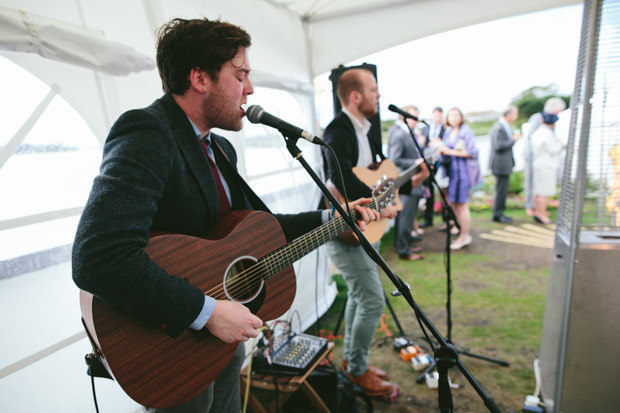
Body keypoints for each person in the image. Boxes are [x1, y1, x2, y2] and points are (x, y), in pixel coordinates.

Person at [72, 18, 379, 413]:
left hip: (219, 342)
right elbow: (98, 258)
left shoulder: (218, 149)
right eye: (240, 74)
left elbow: (256, 231)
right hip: (171, 345)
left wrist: (333, 218)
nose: (250, 89)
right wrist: (208, 312)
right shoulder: (148, 132)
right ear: (200, 78)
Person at [321, 68, 428, 399]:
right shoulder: (338, 131)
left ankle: (354, 364)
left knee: (359, 296)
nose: (379, 96)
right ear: (355, 96)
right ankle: (356, 371)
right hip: (345, 229)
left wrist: (413, 179)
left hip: (368, 228)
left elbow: (379, 176)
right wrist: (382, 208)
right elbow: (341, 180)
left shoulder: (367, 130)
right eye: (373, 90)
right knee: (371, 299)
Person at [387, 105, 425, 261]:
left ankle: (405, 244)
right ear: (403, 116)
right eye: (413, 117)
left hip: (411, 180)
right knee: (405, 216)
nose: (415, 121)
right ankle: (404, 250)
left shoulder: (406, 132)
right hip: (406, 181)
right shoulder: (398, 134)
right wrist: (416, 162)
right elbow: (394, 159)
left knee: (407, 216)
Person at [438, 107, 479, 250]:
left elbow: (472, 152)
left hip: (462, 172)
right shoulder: (448, 131)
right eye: (451, 116)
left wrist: (450, 151)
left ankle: (464, 236)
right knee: (453, 203)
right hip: (451, 172)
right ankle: (458, 226)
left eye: (456, 115)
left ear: (461, 116)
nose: (454, 118)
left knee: (462, 204)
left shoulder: (465, 131)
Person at [523, 97, 566, 216]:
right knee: (532, 182)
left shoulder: (551, 120)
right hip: (534, 155)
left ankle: (541, 208)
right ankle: (531, 207)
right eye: (558, 110)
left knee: (540, 185)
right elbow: (531, 136)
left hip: (544, 156)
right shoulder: (539, 118)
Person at [488, 105, 520, 223]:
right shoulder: (499, 127)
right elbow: (498, 146)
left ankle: (500, 213)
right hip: (500, 165)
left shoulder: (503, 126)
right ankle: (498, 215)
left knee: (502, 190)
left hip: (503, 164)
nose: (516, 117)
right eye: (515, 114)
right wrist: (513, 140)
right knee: (500, 190)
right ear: (509, 115)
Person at [531, 113, 564, 224]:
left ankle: (538, 212)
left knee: (537, 191)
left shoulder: (537, 132)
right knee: (543, 192)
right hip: (547, 165)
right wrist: (560, 145)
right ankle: (542, 214)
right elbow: (552, 149)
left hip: (538, 164)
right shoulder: (547, 133)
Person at [420, 106, 445, 229]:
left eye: (440, 116)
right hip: (428, 164)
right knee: (428, 191)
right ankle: (428, 218)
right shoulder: (426, 128)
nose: (438, 118)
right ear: (432, 116)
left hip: (441, 164)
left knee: (443, 191)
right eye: (436, 116)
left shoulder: (445, 129)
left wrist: (440, 143)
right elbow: (422, 146)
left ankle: (446, 219)